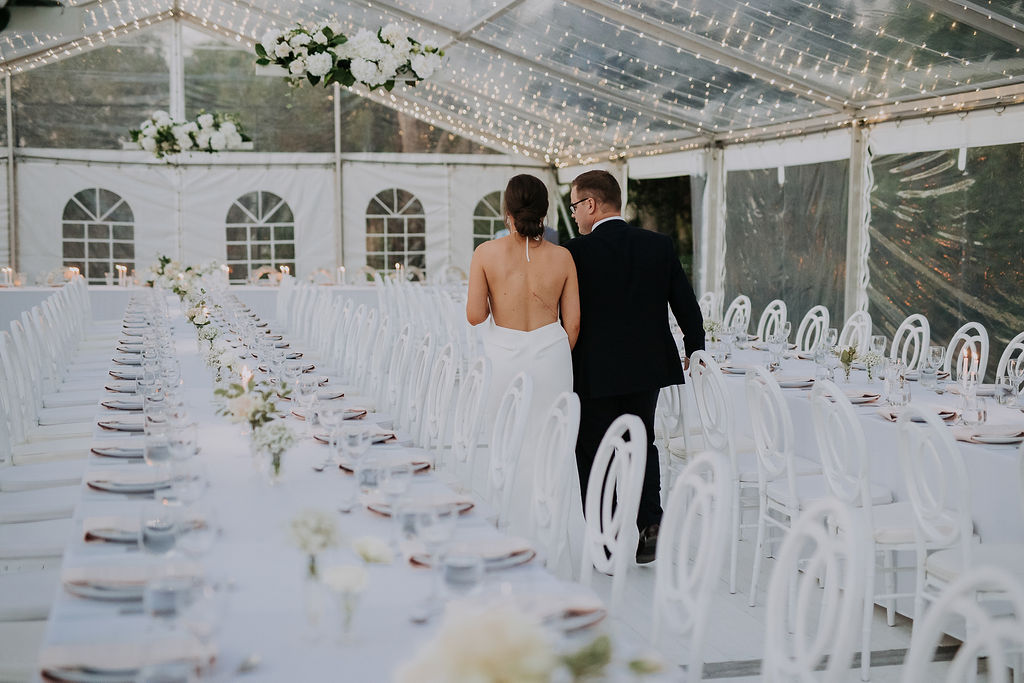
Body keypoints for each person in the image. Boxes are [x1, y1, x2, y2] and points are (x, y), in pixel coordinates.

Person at [564, 169, 705, 564]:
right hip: (647, 368)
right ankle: (651, 524)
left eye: (575, 206)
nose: (573, 214)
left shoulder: (575, 252)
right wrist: (695, 349)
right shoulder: (657, 245)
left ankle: (606, 540)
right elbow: (686, 305)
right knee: (640, 441)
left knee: (593, 450)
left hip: (593, 370)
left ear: (591, 204)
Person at [466, 174, 582, 543]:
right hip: (552, 356)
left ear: (507, 210)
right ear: (545, 211)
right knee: (552, 442)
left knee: (505, 440)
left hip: (504, 356)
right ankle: (551, 534)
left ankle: (508, 532)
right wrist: (552, 354)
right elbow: (573, 323)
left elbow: (475, 316)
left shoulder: (485, 253)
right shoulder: (563, 256)